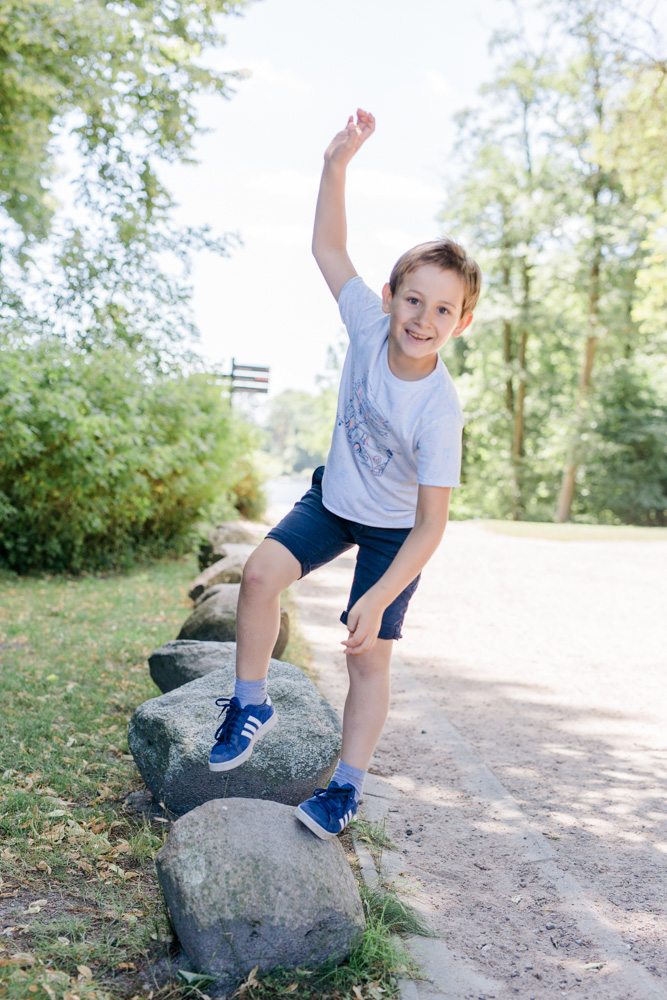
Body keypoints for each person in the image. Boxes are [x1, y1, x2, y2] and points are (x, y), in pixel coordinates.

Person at [208, 109, 482, 839]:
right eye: (412, 299)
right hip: (334, 499)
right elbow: (328, 245)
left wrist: (382, 595)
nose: (422, 317)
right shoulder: (366, 321)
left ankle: (345, 788)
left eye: (442, 309)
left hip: (396, 532)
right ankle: (251, 701)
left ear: (461, 322)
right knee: (260, 576)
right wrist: (336, 163)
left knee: (367, 659)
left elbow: (432, 524)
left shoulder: (438, 411)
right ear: (390, 297)